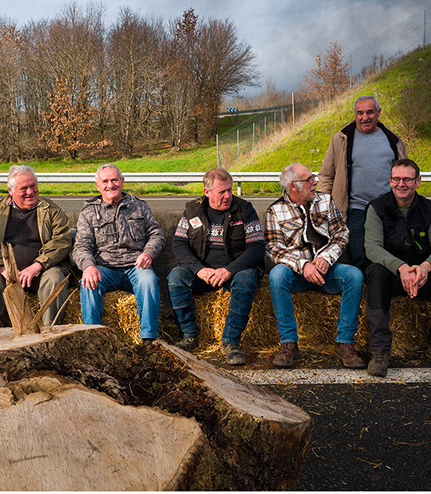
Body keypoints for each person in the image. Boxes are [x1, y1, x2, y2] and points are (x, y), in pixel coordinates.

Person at [363, 158, 431, 377]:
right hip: (392, 274)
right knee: (374, 271)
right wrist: (401, 267)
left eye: (407, 179)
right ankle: (379, 350)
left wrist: (426, 267)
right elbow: (372, 249)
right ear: (389, 181)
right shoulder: (376, 208)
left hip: (421, 276)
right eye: (396, 179)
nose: (401, 184)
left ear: (418, 181)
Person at [262, 162, 365, 369]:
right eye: (309, 180)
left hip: (327, 271)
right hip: (296, 274)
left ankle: (344, 342)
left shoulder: (325, 200)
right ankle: (288, 343)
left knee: (354, 275)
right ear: (293, 186)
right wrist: (303, 266)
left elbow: (341, 233)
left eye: (313, 178)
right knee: (277, 275)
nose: (314, 182)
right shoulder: (275, 211)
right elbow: (274, 249)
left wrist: (326, 258)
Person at [168, 168, 266, 366]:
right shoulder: (192, 210)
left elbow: (256, 247)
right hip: (203, 271)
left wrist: (229, 269)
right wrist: (199, 269)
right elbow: (178, 244)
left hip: (235, 270)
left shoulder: (244, 209)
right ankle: (189, 335)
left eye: (229, 190)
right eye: (222, 192)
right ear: (207, 192)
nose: (228, 196)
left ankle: (231, 342)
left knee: (246, 280)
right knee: (175, 278)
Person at [0, 165, 75, 330]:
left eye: (33, 186)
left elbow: (61, 240)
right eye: (24, 188)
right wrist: (3, 269)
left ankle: (49, 334)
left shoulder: (51, 211)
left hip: (43, 271)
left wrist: (37, 266)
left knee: (55, 279)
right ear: (10, 190)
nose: (30, 191)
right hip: (6, 274)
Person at [74, 164, 164, 341]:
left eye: (114, 180)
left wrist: (148, 253)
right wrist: (88, 266)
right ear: (97, 185)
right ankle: (94, 339)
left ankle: (149, 339)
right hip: (105, 268)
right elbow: (81, 245)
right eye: (105, 181)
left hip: (135, 266)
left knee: (149, 281)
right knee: (88, 284)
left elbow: (157, 234)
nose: (110, 185)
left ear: (122, 182)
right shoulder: (88, 212)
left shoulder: (139, 207)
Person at [319, 93, 406, 274]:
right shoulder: (341, 139)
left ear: (378, 113)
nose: (364, 117)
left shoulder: (393, 141)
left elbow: (405, 174)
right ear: (355, 114)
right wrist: (324, 205)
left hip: (388, 209)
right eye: (360, 113)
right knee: (360, 258)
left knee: (391, 256)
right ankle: (364, 294)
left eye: (370, 112)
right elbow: (327, 175)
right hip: (356, 210)